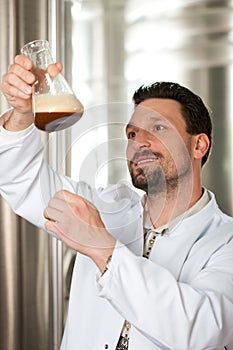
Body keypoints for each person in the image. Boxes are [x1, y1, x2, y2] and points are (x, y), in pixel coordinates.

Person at [0, 54, 233, 350]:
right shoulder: (103, 208)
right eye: (132, 133)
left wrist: (104, 249)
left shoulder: (226, 242)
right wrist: (21, 115)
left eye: (159, 128)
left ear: (199, 144)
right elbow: (18, 178)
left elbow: (203, 330)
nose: (139, 141)